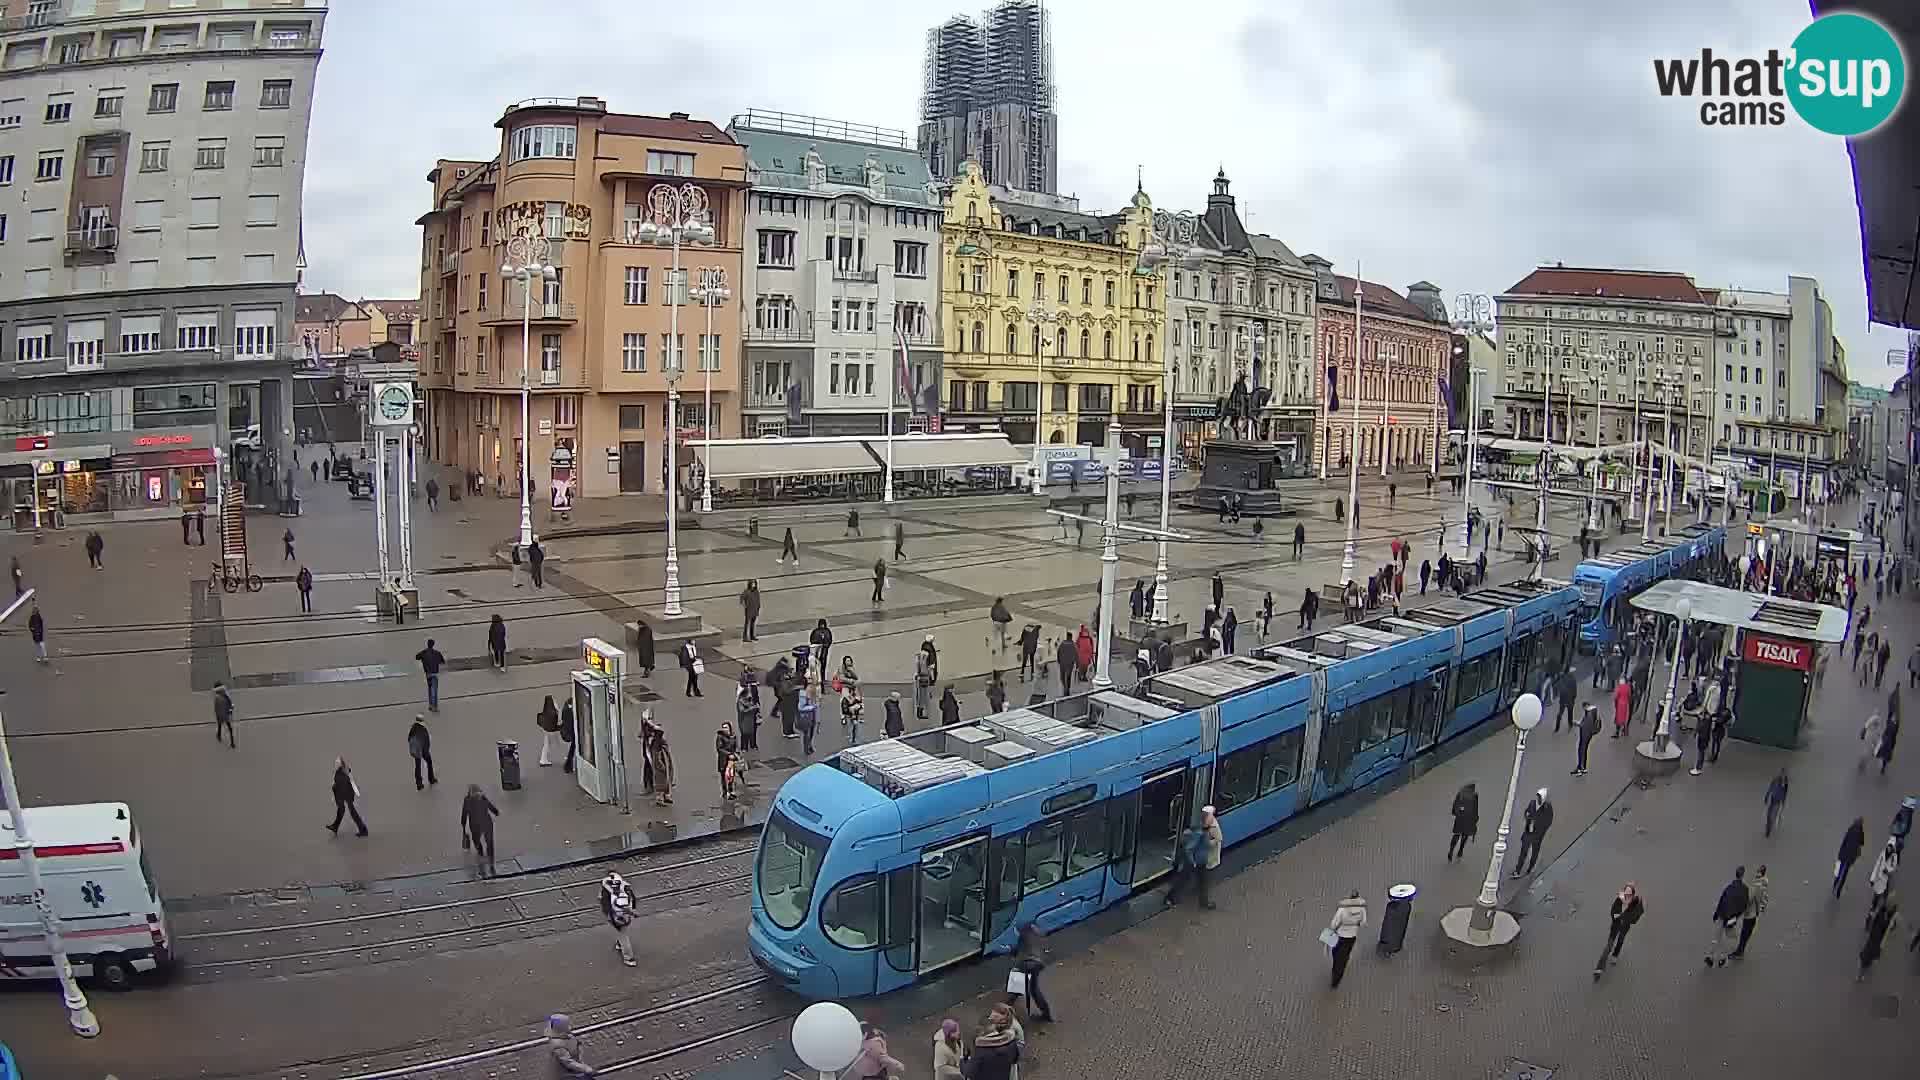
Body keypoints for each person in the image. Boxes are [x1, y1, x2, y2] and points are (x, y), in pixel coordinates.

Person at [1594, 881, 1644, 978]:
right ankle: (1599, 968)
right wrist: (1620, 916)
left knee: (1620, 941)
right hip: (1616, 926)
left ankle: (1615, 955)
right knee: (1609, 945)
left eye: (1629, 894)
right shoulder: (1618, 901)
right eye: (1626, 894)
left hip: (1625, 927)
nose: (1627, 896)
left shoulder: (1635, 903)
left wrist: (1624, 916)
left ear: (1633, 895)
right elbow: (1613, 913)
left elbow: (1634, 918)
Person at [1706, 865, 1749, 968]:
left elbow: (1722, 900)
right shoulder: (1745, 889)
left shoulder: (1729, 887)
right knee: (1728, 938)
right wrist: (1736, 916)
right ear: (1743, 876)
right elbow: (1744, 905)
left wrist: (1716, 914)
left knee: (1717, 937)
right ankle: (1722, 959)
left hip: (1722, 914)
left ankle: (1710, 957)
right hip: (1731, 918)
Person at [961, 1010, 1019, 1080]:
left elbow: (969, 1073)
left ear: (982, 1030)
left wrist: (962, 1060)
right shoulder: (1011, 1042)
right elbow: (1015, 1060)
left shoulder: (980, 1051)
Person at [1013, 921, 1054, 1022]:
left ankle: (1007, 1007)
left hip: (1027, 962)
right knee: (1034, 988)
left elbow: (1017, 951)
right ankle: (1047, 1015)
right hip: (1039, 963)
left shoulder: (1022, 935)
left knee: (1017, 982)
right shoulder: (1038, 933)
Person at [1326, 890, 1368, 988]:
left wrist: (1331, 931)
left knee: (1336, 952)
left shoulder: (1343, 909)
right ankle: (1338, 974)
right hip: (1352, 936)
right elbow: (1363, 922)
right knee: (1345, 955)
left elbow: (1334, 923)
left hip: (1340, 935)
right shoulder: (1362, 910)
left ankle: (1336, 967)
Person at [600, 871, 639, 967]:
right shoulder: (625, 887)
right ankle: (619, 943)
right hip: (626, 916)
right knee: (622, 933)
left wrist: (608, 916)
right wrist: (633, 910)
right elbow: (633, 899)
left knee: (623, 936)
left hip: (616, 917)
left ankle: (629, 958)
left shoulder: (607, 890)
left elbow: (606, 905)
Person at [1730, 864, 1768, 959]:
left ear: (1760, 873)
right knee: (1747, 933)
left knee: (1744, 933)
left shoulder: (1757, 885)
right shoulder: (1762, 884)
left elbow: (1751, 899)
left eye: (1758, 871)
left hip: (1750, 914)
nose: (1756, 873)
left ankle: (1739, 952)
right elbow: (1763, 898)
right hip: (1754, 913)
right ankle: (1741, 950)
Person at [1512, 788, 1553, 876]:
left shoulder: (1547, 808)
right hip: (1528, 832)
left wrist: (1540, 829)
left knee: (1534, 852)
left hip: (1537, 835)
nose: (1538, 799)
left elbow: (1549, 822)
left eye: (1540, 797)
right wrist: (1527, 816)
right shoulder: (1532, 803)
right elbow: (1526, 812)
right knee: (1523, 852)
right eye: (1537, 796)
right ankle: (1517, 870)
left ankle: (1530, 867)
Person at [1859, 894, 1899, 981]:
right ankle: (1862, 971)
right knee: (1866, 955)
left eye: (1890, 904)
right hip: (1873, 936)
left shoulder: (1891, 916)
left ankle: (1864, 968)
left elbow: (1890, 928)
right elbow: (1875, 917)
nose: (1888, 905)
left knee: (1870, 956)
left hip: (1878, 940)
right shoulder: (1882, 909)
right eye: (1888, 903)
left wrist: (1891, 925)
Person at [326, 758, 367, 837]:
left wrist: (356, 791)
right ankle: (335, 827)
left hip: (348, 794)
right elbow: (334, 784)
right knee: (341, 810)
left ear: (341, 763)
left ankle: (363, 830)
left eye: (337, 762)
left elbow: (352, 781)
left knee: (352, 812)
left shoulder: (346, 771)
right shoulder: (336, 773)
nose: (336, 764)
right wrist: (333, 796)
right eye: (335, 762)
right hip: (340, 795)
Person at [460, 783, 499, 864]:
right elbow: (490, 806)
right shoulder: (482, 797)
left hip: (475, 824)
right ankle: (490, 857)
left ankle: (480, 850)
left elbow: (464, 813)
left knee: (476, 839)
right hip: (486, 822)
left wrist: (463, 824)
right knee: (489, 841)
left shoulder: (467, 800)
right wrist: (496, 812)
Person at [1867, 838, 1899, 918]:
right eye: (1888, 846)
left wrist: (1888, 870)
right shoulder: (1882, 853)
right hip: (1879, 878)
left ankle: (1883, 906)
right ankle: (1873, 907)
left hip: (1886, 878)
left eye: (1890, 847)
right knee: (1876, 894)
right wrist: (1872, 878)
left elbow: (1894, 867)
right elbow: (1877, 865)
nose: (1889, 848)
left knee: (1884, 893)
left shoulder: (1894, 857)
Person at [1836, 817, 1868, 896]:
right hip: (1851, 857)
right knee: (1845, 873)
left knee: (1840, 869)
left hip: (1844, 854)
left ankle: (1835, 883)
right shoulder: (1861, 832)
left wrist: (1840, 852)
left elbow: (1845, 840)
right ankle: (1839, 891)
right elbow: (1862, 843)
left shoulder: (1851, 828)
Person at [1447, 782, 1478, 861]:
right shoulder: (1474, 796)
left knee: (1456, 834)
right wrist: (1475, 819)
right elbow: (1475, 809)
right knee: (1465, 835)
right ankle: (1460, 850)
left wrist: (1455, 813)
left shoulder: (1460, 794)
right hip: (1468, 819)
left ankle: (1451, 850)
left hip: (1460, 818)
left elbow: (1455, 805)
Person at [646, 726, 675, 806]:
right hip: (661, 768)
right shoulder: (656, 744)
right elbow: (656, 758)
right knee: (661, 782)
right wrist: (661, 766)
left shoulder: (661, 742)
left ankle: (666, 796)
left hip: (666, 764)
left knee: (666, 781)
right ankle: (659, 798)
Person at [407, 714, 437, 790]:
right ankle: (431, 779)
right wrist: (426, 751)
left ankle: (419, 784)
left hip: (416, 750)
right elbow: (426, 740)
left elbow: (409, 738)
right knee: (429, 762)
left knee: (417, 766)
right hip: (423, 749)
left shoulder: (413, 728)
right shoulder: (423, 729)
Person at [415, 638, 446, 711]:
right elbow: (442, 662)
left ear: (427, 644)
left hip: (428, 674)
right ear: (433, 645)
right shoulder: (437, 653)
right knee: (434, 690)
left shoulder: (424, 652)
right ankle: (434, 707)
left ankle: (430, 705)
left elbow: (417, 657)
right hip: (435, 673)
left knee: (430, 689)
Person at [1573, 701, 1600, 776]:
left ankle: (1581, 769)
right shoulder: (1594, 711)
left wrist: (1577, 724)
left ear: (1586, 706)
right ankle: (1582, 767)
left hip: (1585, 735)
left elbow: (1586, 725)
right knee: (1584, 750)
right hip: (1589, 734)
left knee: (1581, 751)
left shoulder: (1589, 714)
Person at [716, 722, 739, 800]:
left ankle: (731, 791)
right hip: (723, 760)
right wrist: (729, 754)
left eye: (726, 727)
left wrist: (736, 754)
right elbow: (719, 748)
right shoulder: (720, 737)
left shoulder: (733, 736)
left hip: (731, 761)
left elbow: (736, 746)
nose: (724, 729)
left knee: (731, 776)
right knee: (724, 777)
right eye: (723, 727)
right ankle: (725, 792)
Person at [1763, 770, 1789, 836]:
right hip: (1773, 801)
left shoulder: (1783, 786)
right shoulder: (1775, 782)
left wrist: (1783, 803)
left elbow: (1783, 795)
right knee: (1769, 815)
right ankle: (1768, 827)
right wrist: (1767, 796)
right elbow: (1770, 789)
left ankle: (1769, 827)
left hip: (1777, 802)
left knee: (1773, 816)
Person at [536, 694, 561, 766]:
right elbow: (558, 719)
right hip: (551, 731)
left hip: (545, 729)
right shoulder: (553, 712)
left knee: (546, 744)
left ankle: (543, 759)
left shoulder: (546, 709)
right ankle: (543, 760)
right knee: (548, 744)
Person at [211, 680, 236, 748]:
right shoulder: (224, 695)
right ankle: (232, 743)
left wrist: (218, 715)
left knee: (221, 726)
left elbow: (216, 708)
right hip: (225, 715)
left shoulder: (218, 697)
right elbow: (229, 704)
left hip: (221, 715)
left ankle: (219, 735)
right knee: (229, 728)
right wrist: (230, 709)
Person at [559, 697, 577, 773]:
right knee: (572, 749)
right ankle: (568, 766)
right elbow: (571, 723)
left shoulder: (565, 708)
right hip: (572, 732)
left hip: (569, 731)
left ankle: (568, 766)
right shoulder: (569, 711)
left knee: (572, 749)